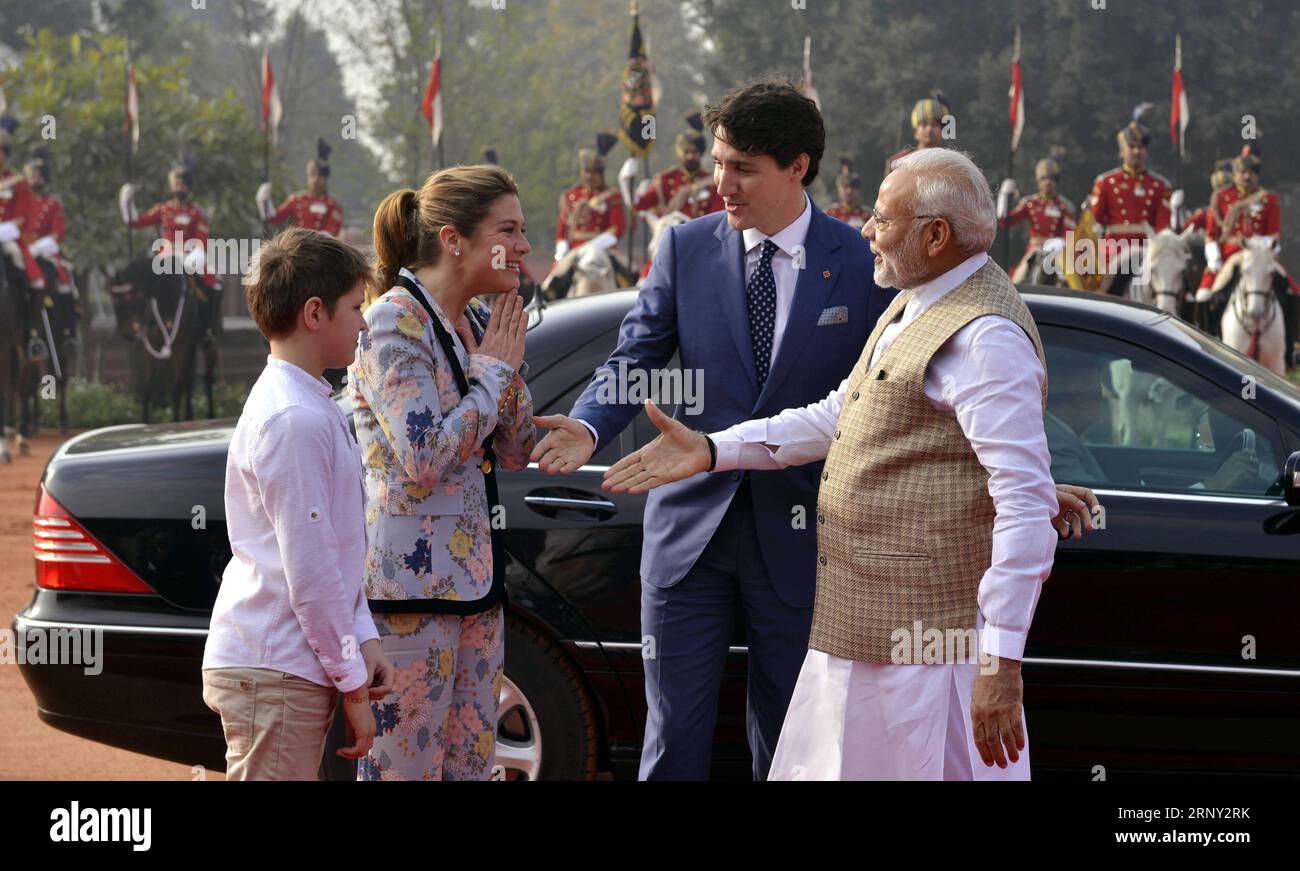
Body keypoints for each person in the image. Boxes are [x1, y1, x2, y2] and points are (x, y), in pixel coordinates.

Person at [530, 78, 1095, 781]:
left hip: (831, 573)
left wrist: (1021, 487)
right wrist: (642, 437)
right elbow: (650, 357)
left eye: (742, 168)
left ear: (796, 167)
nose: (722, 183)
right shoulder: (695, 251)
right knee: (687, 745)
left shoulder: (896, 282)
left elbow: (959, 430)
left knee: (813, 749)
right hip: (714, 552)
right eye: (717, 163)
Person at [352, 165, 535, 781]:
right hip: (409, 601)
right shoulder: (393, 321)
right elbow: (424, 455)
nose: (524, 246)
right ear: (454, 239)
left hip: (476, 592)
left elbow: (511, 450)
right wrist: (494, 377)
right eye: (507, 229)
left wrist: (512, 388)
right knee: (404, 775)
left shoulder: (476, 323)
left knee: (468, 773)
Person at [201, 227, 394, 780]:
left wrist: (364, 641)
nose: (363, 322)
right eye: (356, 307)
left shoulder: (307, 402)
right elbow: (311, 573)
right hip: (274, 666)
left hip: (280, 663)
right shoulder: (296, 418)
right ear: (315, 313)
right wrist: (353, 685)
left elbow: (333, 554)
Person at [1197, 144, 1292, 364]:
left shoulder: (1269, 200)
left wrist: (1264, 248)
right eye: (1242, 173)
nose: (1246, 177)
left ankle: (1290, 348)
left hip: (1261, 256)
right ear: (1235, 174)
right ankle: (1206, 342)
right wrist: (1214, 258)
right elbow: (1211, 234)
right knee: (1205, 296)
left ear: (1257, 175)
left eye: (1251, 173)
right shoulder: (1221, 197)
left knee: (1287, 290)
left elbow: (1274, 234)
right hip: (1229, 257)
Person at [1087, 109, 1172, 296]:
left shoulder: (1160, 185)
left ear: (1146, 151)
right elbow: (1094, 219)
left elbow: (1163, 226)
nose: (1136, 151)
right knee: (1094, 283)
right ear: (1122, 151)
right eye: (1131, 147)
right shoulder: (1106, 182)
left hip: (1149, 248)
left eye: (1141, 147)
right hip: (1115, 248)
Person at [997, 157, 1077, 283]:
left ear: (1056, 182)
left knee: (1067, 280)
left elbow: (1070, 236)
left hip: (1058, 251)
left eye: (1051, 179)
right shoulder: (1030, 203)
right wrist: (1004, 195)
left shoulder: (1065, 207)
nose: (1048, 183)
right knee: (1017, 279)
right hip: (1034, 249)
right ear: (1038, 182)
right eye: (1044, 179)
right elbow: (1005, 221)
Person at [633, 111, 724, 221]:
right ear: (680, 153)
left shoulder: (711, 182)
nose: (690, 156)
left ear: (700, 153)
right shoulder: (665, 180)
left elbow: (717, 216)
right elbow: (640, 205)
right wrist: (628, 183)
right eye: (686, 152)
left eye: (695, 152)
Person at [554, 132, 626, 264]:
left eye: (594, 173)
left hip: (603, 251)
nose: (589, 176)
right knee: (552, 281)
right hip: (572, 253)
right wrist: (562, 251)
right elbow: (561, 233)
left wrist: (591, 248)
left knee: (628, 276)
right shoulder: (569, 196)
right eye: (586, 172)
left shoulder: (612, 196)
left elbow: (616, 230)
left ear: (601, 174)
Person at [257, 138, 345, 236]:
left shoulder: (333, 205)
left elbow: (331, 231)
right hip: (299, 246)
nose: (315, 179)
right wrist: (264, 200)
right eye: (312, 174)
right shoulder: (296, 199)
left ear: (325, 178)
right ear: (307, 176)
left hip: (322, 248)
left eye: (320, 176)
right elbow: (273, 218)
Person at [884, 91, 951, 177]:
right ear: (916, 132)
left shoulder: (949, 162)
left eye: (934, 125)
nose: (929, 129)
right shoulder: (897, 162)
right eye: (924, 125)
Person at [825, 158, 869, 229]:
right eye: (845, 187)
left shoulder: (867, 216)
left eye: (853, 186)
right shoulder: (829, 214)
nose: (849, 190)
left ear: (858, 189)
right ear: (839, 189)